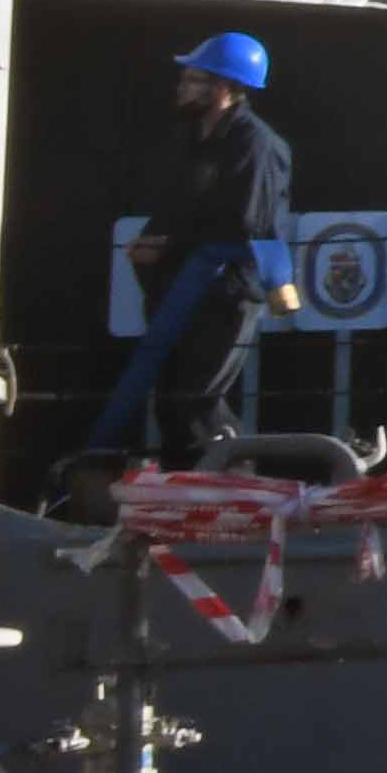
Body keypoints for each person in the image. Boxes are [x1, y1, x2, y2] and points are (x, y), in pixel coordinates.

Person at [89, 29, 296, 479]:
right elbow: (177, 205)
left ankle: (232, 494)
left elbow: (250, 222)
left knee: (195, 400)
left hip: (224, 291)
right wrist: (151, 240)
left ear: (221, 88)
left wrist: (172, 243)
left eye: (192, 80)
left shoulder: (255, 145)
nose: (181, 88)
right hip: (178, 287)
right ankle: (187, 494)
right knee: (171, 399)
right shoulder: (191, 141)